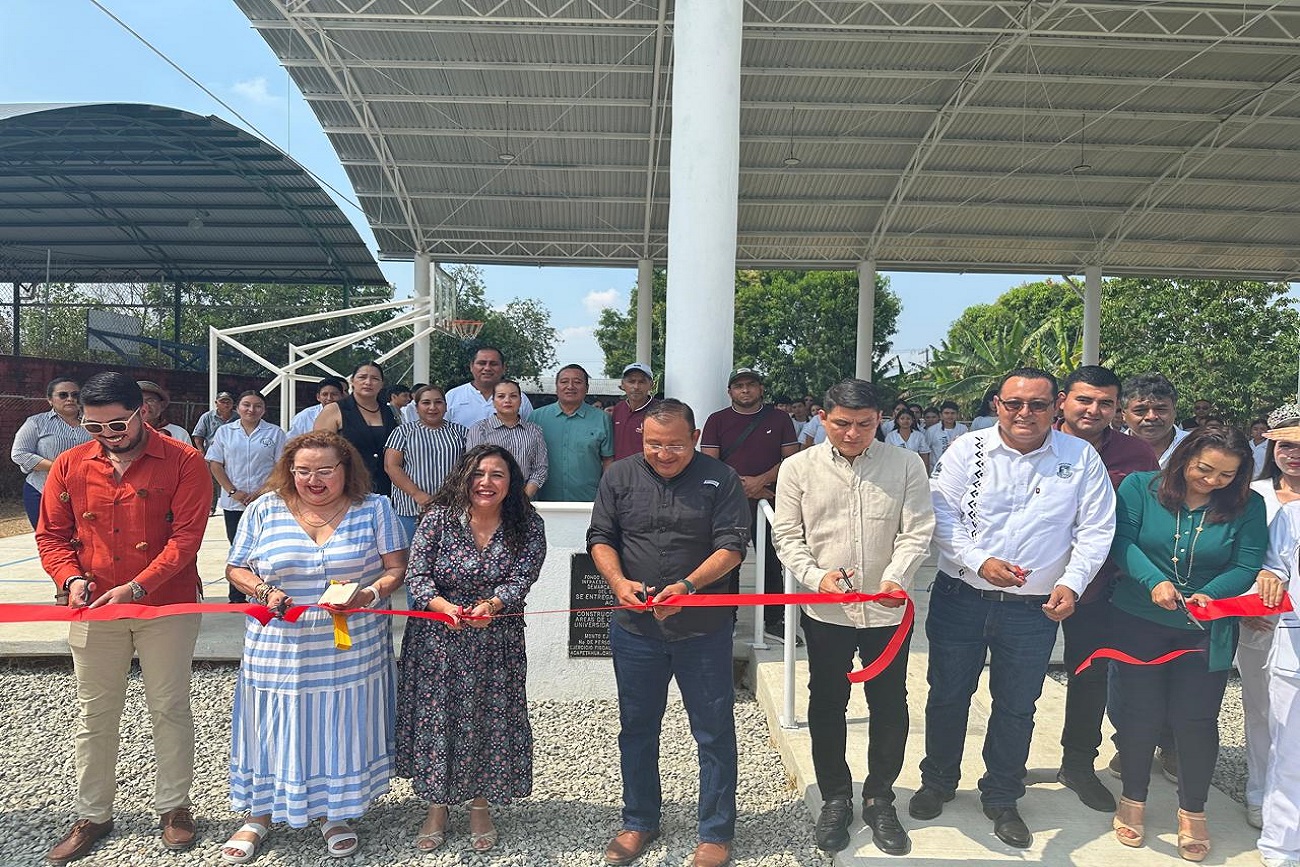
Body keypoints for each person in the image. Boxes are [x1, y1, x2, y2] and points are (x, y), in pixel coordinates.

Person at [911, 368, 1115, 849]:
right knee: (946, 695)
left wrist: (1072, 582)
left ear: (1056, 405)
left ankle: (1002, 795)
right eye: (1013, 404)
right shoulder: (968, 448)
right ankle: (938, 781)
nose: (1025, 413)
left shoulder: (1080, 457)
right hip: (961, 597)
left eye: (1038, 405)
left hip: (1033, 609)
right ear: (997, 404)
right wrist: (979, 561)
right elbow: (939, 513)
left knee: (1017, 706)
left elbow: (1095, 527)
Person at [36, 372, 210, 864]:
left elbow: (187, 540)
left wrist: (137, 588)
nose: (107, 437)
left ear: (143, 412)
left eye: (116, 425)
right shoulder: (70, 465)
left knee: (169, 707)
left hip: (166, 604)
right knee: (94, 713)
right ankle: (92, 813)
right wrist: (70, 579)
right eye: (93, 427)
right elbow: (52, 534)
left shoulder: (184, 461)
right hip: (93, 606)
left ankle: (174, 807)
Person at [219, 431, 407, 863]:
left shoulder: (374, 508)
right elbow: (235, 567)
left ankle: (332, 811)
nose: (313, 479)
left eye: (325, 470)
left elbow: (396, 567)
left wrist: (370, 594)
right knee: (273, 722)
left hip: (349, 645)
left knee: (336, 724)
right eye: (303, 471)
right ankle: (259, 813)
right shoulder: (264, 508)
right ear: (289, 471)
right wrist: (264, 590)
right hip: (278, 644)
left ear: (346, 470)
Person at [772, 379, 935, 856]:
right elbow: (787, 534)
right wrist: (815, 575)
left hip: (888, 610)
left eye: (865, 424)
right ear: (822, 419)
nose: (852, 433)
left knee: (889, 702)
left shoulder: (905, 464)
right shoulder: (797, 468)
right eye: (842, 423)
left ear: (879, 419)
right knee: (826, 703)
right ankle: (836, 797)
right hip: (826, 611)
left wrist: (897, 576)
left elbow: (917, 528)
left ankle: (880, 797)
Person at [588, 399, 750, 867]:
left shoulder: (721, 479)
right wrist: (618, 583)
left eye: (674, 445)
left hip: (703, 628)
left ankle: (716, 831)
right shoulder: (618, 476)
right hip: (635, 629)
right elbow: (600, 537)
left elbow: (733, 546)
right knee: (637, 728)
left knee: (714, 730)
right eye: (653, 444)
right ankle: (639, 819)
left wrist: (687, 586)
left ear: (695, 437)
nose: (663, 453)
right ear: (640, 438)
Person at [1108, 428, 1266, 860]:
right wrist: (1153, 581)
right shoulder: (1142, 487)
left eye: (1226, 475)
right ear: (1184, 458)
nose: (1212, 481)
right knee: (1139, 713)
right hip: (1140, 617)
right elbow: (1122, 542)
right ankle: (1133, 800)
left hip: (1207, 627)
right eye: (1204, 469)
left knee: (1195, 719)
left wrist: (1212, 593)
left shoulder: (1249, 505)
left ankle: (1193, 811)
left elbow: (1248, 561)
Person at [396, 444, 547, 853]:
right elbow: (417, 575)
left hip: (496, 641)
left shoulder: (527, 523)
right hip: (437, 640)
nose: (486, 482)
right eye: (479, 473)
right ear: (464, 475)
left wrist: (493, 605)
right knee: (438, 722)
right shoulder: (438, 519)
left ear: (511, 482)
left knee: (488, 720)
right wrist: (444, 607)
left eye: (497, 475)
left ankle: (480, 806)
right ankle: (437, 807)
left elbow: (523, 577)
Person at [1050, 366, 1159, 812]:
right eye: (1084, 400)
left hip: (1100, 587)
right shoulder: (1034, 439)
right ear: (1063, 401)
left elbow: (1150, 517)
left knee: (1089, 677)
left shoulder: (1135, 454)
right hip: (1026, 583)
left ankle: (1077, 764)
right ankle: (1003, 763)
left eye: (1106, 403)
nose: (1094, 410)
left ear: (1117, 408)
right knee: (1013, 681)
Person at [701, 367, 799, 640]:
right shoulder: (717, 420)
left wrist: (761, 482)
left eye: (751, 385)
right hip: (729, 503)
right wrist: (741, 486)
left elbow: (791, 460)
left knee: (772, 560)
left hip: (770, 500)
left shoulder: (779, 419)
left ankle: (774, 620)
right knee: (727, 559)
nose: (745, 390)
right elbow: (709, 461)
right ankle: (726, 618)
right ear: (730, 391)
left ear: (761, 389)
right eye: (739, 385)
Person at [1239, 402, 1300, 831]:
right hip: (1259, 622)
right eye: (1284, 444)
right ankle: (1261, 790)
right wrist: (1247, 601)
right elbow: (1235, 556)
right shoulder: (1250, 494)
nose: (1293, 453)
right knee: (1261, 709)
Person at [1251, 496, 1300, 867]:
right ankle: (1283, 847)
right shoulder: (1292, 515)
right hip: (1295, 652)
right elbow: (1273, 567)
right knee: (1291, 753)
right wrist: (1269, 578)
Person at [205, 391, 287, 602]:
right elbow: (215, 463)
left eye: (257, 406)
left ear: (264, 409)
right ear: (238, 408)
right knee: (238, 547)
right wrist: (233, 491)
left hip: (266, 500)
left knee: (265, 547)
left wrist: (262, 491)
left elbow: (281, 466)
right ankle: (238, 595)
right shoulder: (225, 432)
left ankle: (265, 593)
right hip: (234, 502)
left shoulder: (275, 433)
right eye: (247, 405)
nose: (252, 410)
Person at [383, 385, 467, 541]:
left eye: (438, 402)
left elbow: (470, 467)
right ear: (416, 407)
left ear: (446, 406)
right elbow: (391, 466)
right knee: (411, 558)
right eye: (426, 403)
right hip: (411, 509)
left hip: (451, 508)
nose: (432, 407)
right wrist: (418, 494)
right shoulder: (403, 432)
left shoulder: (461, 432)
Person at [10, 376, 90, 528]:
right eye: (63, 395)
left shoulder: (93, 423)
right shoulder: (36, 422)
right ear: (50, 400)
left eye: (75, 395)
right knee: (50, 541)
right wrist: (58, 468)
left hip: (85, 493)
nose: (70, 399)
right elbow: (19, 453)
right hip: (42, 490)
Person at [315, 361, 400, 495]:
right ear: (352, 381)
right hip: (347, 488)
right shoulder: (334, 410)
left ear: (382, 384)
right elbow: (319, 452)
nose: (368, 382)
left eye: (375, 378)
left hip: (388, 489)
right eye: (362, 377)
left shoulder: (392, 412)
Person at [532, 363, 613, 501]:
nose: (570, 386)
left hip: (589, 501)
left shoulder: (602, 419)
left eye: (577, 382)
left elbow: (608, 460)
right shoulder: (536, 417)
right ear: (556, 387)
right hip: (544, 502)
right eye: (564, 382)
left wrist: (606, 495)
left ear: (587, 388)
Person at [465, 380, 548, 498]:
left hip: (524, 497)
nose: (507, 400)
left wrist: (524, 498)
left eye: (513, 396)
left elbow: (540, 468)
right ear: (493, 402)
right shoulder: (479, 430)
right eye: (501, 396)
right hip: (488, 496)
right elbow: (472, 466)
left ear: (520, 401)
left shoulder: (534, 431)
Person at [444, 346, 534, 428]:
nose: (487, 368)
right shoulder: (453, 396)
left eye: (493, 364)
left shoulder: (519, 398)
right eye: (482, 363)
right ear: (471, 366)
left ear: (504, 368)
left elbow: (530, 431)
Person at [1122, 373, 1188, 466]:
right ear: (1123, 414)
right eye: (1140, 410)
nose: (1151, 417)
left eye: (1160, 409)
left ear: (1174, 411)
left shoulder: (1196, 446)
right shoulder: (1110, 450)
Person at [610, 362, 658, 460]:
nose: (636, 387)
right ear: (623, 385)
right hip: (619, 471)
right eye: (631, 381)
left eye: (642, 382)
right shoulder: (618, 409)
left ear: (651, 385)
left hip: (648, 473)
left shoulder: (660, 410)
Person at [884, 407, 931, 473]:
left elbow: (924, 455)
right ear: (897, 420)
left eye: (908, 419)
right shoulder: (891, 436)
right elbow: (887, 456)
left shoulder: (919, 436)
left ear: (913, 420)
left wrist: (926, 472)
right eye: (902, 419)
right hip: (896, 470)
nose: (905, 421)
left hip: (915, 470)